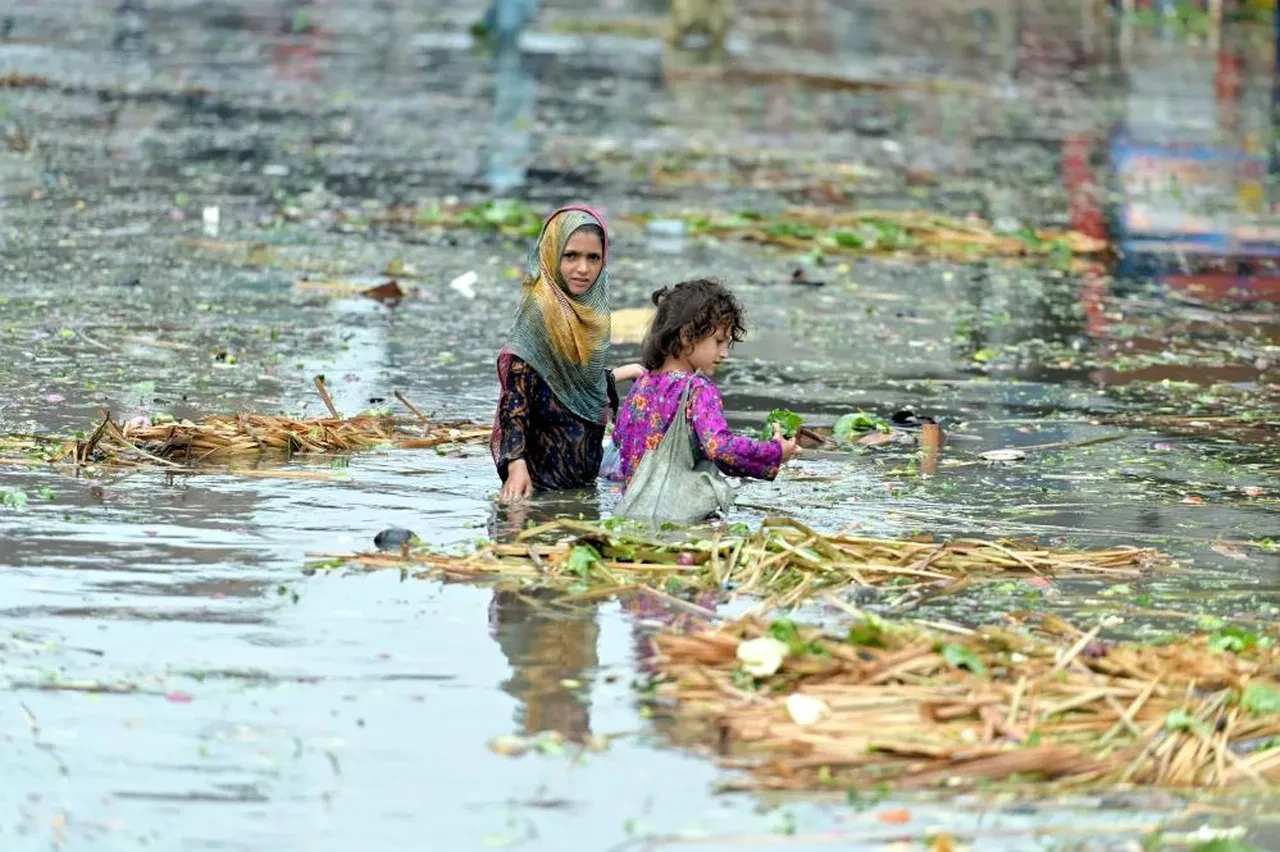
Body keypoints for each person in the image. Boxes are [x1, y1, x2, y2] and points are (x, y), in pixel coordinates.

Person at [491, 205, 642, 503]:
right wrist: (516, 463)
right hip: (537, 484)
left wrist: (619, 374)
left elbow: (568, 385)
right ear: (551, 253)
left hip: (580, 482)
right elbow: (516, 397)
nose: (583, 269)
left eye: (593, 258)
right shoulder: (540, 314)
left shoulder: (591, 315)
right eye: (570, 256)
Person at [612, 278, 799, 486]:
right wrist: (774, 452)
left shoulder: (642, 383)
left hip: (633, 502)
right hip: (678, 509)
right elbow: (720, 448)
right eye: (718, 341)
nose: (725, 353)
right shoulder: (697, 389)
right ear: (686, 336)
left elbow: (620, 441)